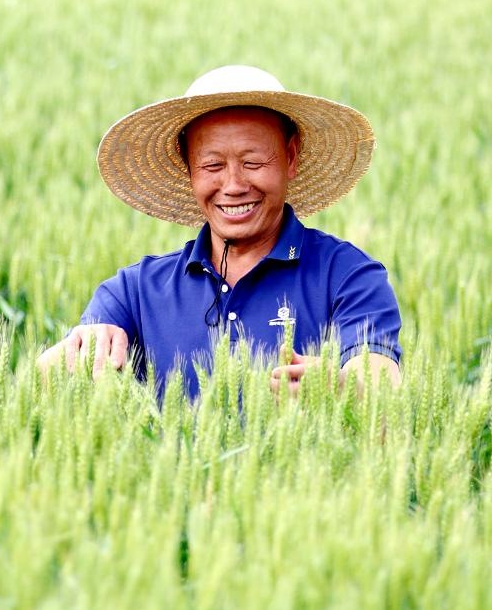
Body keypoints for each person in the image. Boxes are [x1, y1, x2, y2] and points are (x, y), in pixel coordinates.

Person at [37, 65, 402, 398]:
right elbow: (42, 384)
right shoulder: (135, 292)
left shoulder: (348, 277)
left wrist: (343, 390)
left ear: (291, 157)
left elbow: (381, 390)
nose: (234, 185)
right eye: (212, 166)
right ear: (189, 168)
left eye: (253, 162)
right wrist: (77, 348)